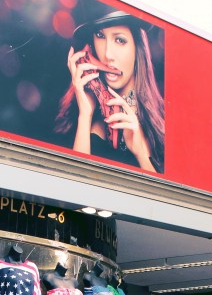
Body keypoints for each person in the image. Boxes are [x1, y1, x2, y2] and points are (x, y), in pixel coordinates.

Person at [56, 9, 165, 173]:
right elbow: (75, 182)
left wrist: (141, 154)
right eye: (100, 36)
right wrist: (85, 116)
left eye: (120, 40)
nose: (108, 54)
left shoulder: (165, 120)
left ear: (137, 48)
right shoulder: (79, 114)